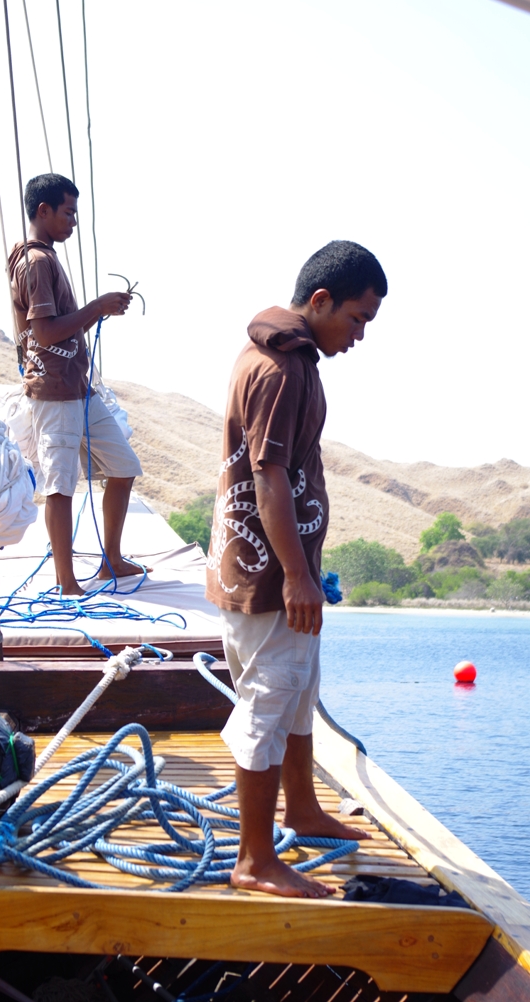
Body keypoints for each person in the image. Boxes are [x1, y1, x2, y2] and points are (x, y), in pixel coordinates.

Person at [206, 240, 388, 898]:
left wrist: (306, 567)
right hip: (267, 581)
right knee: (269, 699)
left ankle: (302, 809)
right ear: (320, 302)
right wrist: (296, 574)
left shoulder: (294, 358)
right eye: (357, 318)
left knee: (299, 690)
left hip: (284, 573)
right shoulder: (280, 369)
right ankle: (254, 860)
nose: (360, 335)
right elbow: (269, 476)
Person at [9, 172, 144, 595]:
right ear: (43, 211)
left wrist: (96, 310)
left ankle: (111, 560)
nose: (73, 222)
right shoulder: (37, 262)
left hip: (77, 389)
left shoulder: (42, 257)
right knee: (60, 485)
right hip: (53, 392)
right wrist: (98, 307)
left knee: (123, 468)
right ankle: (67, 582)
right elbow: (46, 333)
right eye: (68, 213)